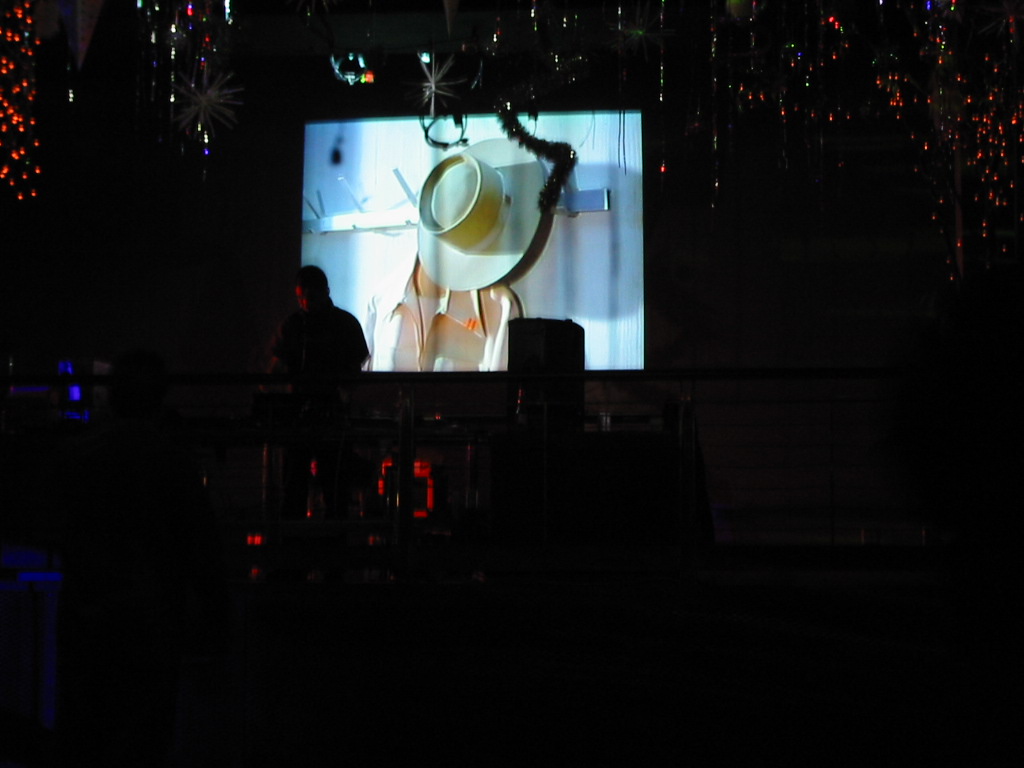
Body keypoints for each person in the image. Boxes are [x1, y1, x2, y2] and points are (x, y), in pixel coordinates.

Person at [50, 349, 229, 768]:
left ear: (112, 395)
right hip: (151, 619)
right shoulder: (170, 459)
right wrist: (215, 615)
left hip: (89, 615)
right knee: (144, 735)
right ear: (161, 398)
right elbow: (199, 543)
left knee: (90, 733)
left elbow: (57, 526)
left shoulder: (79, 455)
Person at [266, 265, 370, 519]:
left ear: (325, 292)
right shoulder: (335, 324)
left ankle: (301, 534)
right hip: (304, 416)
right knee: (310, 485)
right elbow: (274, 369)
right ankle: (327, 535)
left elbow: (354, 373)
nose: (305, 303)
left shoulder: (299, 325)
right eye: (300, 298)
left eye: (309, 297)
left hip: (326, 415)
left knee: (328, 485)